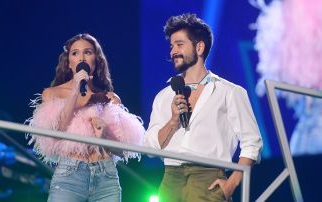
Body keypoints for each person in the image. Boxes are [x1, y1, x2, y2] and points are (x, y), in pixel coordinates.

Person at [144, 13, 263, 202]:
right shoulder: (164, 96)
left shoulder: (229, 92)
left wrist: (230, 184)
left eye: (180, 44)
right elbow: (149, 148)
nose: (173, 51)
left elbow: (252, 143)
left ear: (199, 47)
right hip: (170, 179)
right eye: (171, 46)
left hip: (207, 178)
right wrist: (173, 121)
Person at [26, 33, 145, 202]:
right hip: (70, 177)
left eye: (87, 52)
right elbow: (55, 132)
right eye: (75, 53)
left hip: (106, 177)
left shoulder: (109, 98)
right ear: (68, 62)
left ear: (96, 60)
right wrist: (75, 91)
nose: (81, 57)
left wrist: (103, 135)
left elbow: (122, 150)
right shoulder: (53, 94)